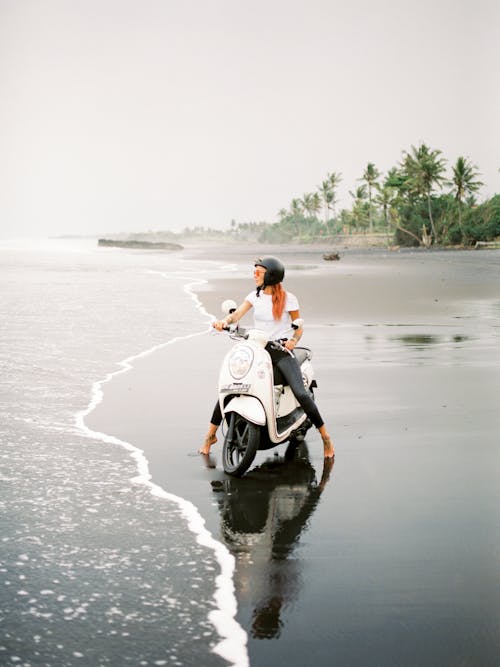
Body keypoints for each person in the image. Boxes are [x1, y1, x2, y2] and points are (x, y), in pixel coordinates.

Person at [199, 256, 335, 458]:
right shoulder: (255, 296)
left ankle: (325, 437)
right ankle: (211, 435)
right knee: (233, 385)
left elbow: (299, 326)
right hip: (257, 349)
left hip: (280, 351)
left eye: (258, 272)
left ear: (271, 276)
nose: (254, 275)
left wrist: (293, 341)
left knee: (301, 393)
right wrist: (223, 321)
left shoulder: (289, 299)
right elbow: (235, 316)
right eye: (253, 271)